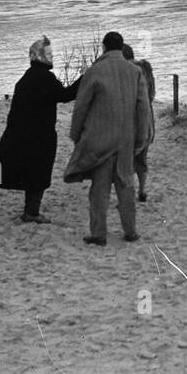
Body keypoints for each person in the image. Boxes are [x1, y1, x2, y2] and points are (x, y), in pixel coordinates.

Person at [64, 31, 149, 245]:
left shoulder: (95, 71)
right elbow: (143, 108)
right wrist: (141, 137)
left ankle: (99, 234)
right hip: (126, 139)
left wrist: (76, 134)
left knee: (99, 190)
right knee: (126, 185)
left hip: (101, 139)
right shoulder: (135, 71)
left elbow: (81, 106)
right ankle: (130, 231)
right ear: (121, 48)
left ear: (103, 47)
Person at [0, 37, 81, 223]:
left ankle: (30, 210)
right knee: (39, 172)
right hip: (39, 134)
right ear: (41, 56)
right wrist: (84, 79)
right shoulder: (44, 77)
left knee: (31, 171)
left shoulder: (28, 76)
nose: (52, 57)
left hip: (22, 132)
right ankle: (31, 212)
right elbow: (64, 95)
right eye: (49, 54)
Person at [122, 43, 155, 202]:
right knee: (142, 158)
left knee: (125, 161)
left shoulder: (126, 72)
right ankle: (142, 191)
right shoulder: (145, 69)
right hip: (147, 121)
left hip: (129, 122)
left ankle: (128, 194)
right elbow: (152, 95)